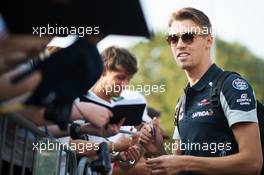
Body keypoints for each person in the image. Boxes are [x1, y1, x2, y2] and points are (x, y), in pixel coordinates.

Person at [140, 7, 263, 175]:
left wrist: (184, 163)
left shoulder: (231, 85)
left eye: (188, 37)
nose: (180, 44)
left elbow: (252, 163)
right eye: (173, 38)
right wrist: (157, 149)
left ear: (208, 41)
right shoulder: (181, 102)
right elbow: (177, 168)